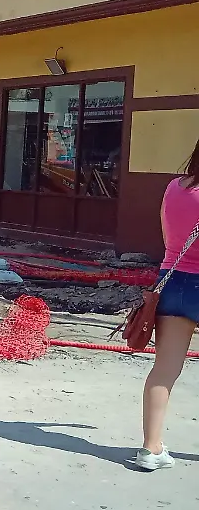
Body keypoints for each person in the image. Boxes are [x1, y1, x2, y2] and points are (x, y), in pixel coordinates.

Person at [137, 137, 199, 471]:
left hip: (172, 283)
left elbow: (168, 240)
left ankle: (151, 449)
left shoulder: (174, 187)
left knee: (164, 369)